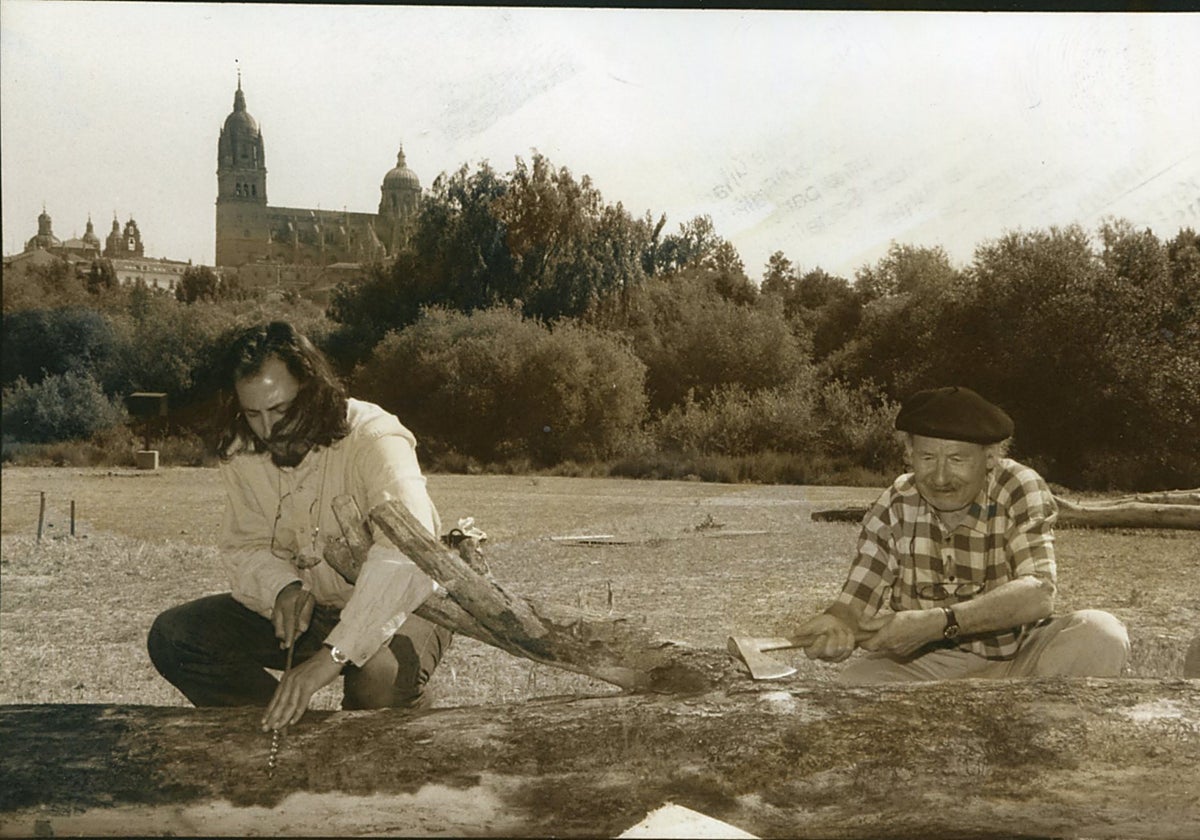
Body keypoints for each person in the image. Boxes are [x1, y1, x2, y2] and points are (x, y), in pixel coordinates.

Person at [148, 321, 450, 732]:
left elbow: (407, 555)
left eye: (281, 410)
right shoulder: (243, 449)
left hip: (407, 604)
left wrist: (329, 660)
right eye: (252, 414)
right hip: (316, 612)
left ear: (314, 391)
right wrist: (283, 587)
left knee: (376, 683)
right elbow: (245, 545)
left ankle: (407, 736)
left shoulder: (375, 436)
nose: (268, 431)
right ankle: (287, 738)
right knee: (175, 637)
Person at [795, 386, 1129, 683]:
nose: (940, 477)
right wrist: (833, 625)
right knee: (857, 679)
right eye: (927, 457)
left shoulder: (1017, 486)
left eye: (957, 459)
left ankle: (1030, 724)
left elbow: (1038, 593)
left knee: (1100, 633)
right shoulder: (894, 505)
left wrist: (937, 623)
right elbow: (853, 605)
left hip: (1020, 659)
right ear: (908, 455)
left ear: (989, 458)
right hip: (927, 666)